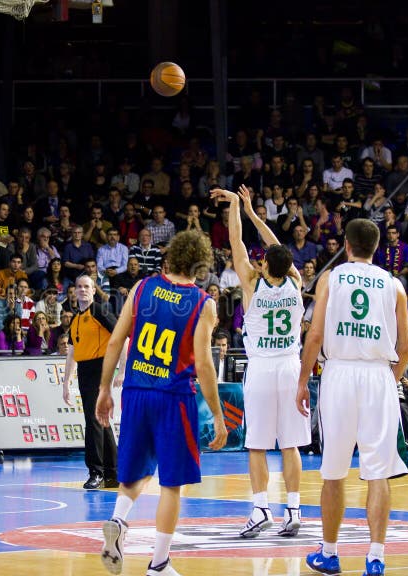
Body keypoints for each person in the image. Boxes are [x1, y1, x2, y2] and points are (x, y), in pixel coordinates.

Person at [95, 229, 227, 576]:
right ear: (200, 265)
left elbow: (114, 342)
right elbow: (203, 363)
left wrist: (104, 389)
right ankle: (159, 563)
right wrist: (217, 413)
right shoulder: (203, 303)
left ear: (169, 257)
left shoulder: (141, 288)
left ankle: (118, 520)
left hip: (136, 390)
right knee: (172, 484)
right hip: (173, 397)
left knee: (137, 470)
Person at [297, 218, 408, 576]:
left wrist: (302, 382)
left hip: (340, 373)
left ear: (346, 245)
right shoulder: (395, 286)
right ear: (376, 248)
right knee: (378, 473)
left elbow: (314, 337)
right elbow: (405, 349)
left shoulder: (331, 279)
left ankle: (329, 553)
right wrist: (386, 382)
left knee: (333, 471)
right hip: (379, 374)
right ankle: (375, 557)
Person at [213, 185, 310, 538]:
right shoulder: (296, 282)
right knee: (291, 444)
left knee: (256, 444)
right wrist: (256, 214)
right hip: (291, 367)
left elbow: (237, 244)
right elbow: (276, 248)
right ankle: (295, 509)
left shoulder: (253, 283)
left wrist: (238, 207)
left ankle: (260, 509)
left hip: (262, 368)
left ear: (265, 262)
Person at [62, 274, 119, 490]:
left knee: (94, 420)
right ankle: (113, 473)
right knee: (101, 421)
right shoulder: (76, 318)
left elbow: (121, 336)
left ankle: (96, 471)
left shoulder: (99, 310)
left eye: (87, 286)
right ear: (74, 291)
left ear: (94, 290)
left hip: (100, 367)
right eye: (79, 286)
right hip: (85, 371)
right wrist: (66, 383)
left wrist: (121, 369)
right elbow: (72, 352)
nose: (83, 290)